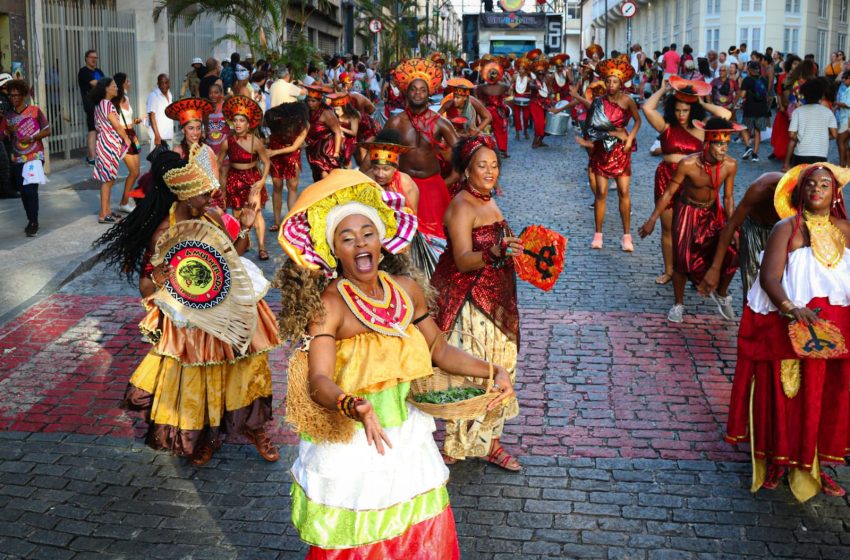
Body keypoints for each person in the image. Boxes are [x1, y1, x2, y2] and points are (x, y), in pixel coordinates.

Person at [276, 169, 514, 558]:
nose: (360, 244)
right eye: (347, 238)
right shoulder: (329, 306)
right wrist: (353, 404)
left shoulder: (406, 291)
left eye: (367, 233)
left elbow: (438, 349)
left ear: (381, 240)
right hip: (353, 442)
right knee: (360, 540)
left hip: (405, 436)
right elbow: (318, 380)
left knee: (417, 534)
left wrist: (492, 370)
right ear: (334, 250)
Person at [95, 148, 280, 466]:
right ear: (183, 194)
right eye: (204, 191)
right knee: (204, 378)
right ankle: (209, 436)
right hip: (193, 317)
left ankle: (255, 429)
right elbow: (146, 288)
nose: (212, 193)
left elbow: (236, 253)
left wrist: (246, 226)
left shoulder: (213, 215)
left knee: (247, 367)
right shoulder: (163, 235)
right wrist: (158, 275)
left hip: (231, 304)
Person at [725, 164, 850, 502]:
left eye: (825, 184)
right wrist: (791, 309)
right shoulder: (786, 228)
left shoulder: (845, 229)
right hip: (791, 325)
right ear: (799, 190)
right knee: (786, 392)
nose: (817, 190)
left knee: (824, 397)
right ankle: (779, 461)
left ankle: (814, 464)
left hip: (836, 328)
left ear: (836, 193)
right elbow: (769, 277)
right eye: (811, 184)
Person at [430, 135, 523, 472]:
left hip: (498, 297)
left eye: (494, 165)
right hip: (470, 301)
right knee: (474, 372)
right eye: (482, 165)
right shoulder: (461, 206)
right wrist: (496, 252)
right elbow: (463, 259)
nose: (490, 171)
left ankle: (491, 443)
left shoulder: (489, 200)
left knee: (503, 365)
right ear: (467, 169)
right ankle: (454, 446)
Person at [638, 118, 742, 323]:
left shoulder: (730, 165)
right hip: (687, 213)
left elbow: (728, 198)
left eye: (726, 144)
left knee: (733, 251)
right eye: (720, 144)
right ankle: (678, 304)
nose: (724, 149)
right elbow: (668, 193)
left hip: (713, 213)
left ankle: (722, 294)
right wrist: (652, 219)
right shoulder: (687, 164)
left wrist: (734, 227)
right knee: (682, 260)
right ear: (708, 143)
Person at [641, 77, 732, 285]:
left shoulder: (703, 129)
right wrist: (663, 90)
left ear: (692, 111)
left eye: (686, 110)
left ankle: (692, 269)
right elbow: (647, 108)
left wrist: (700, 102)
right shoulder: (666, 127)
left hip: (693, 180)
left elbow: (725, 115)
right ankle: (669, 271)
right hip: (667, 176)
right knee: (668, 228)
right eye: (677, 110)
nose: (681, 115)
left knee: (694, 230)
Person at [383, 58, 459, 253]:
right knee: (404, 242)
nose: (418, 93)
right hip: (404, 187)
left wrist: (451, 178)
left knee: (437, 245)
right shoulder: (396, 121)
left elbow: (462, 152)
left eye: (422, 90)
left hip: (433, 188)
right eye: (413, 89)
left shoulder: (440, 123)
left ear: (429, 94)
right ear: (406, 93)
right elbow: (380, 151)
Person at [574, 57, 642, 251]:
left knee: (623, 192)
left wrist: (629, 139)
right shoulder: (598, 102)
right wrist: (593, 140)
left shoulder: (627, 100)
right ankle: (598, 235)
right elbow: (592, 127)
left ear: (621, 83)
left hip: (621, 151)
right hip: (602, 150)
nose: (611, 85)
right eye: (609, 81)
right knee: (601, 193)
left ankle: (627, 237)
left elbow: (638, 121)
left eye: (615, 82)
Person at [360, 129, 440, 277]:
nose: (380, 174)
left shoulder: (407, 185)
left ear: (395, 166)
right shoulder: (365, 182)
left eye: (386, 169)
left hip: (400, 241)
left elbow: (411, 225)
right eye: (376, 168)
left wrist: (405, 261)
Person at [699, 172, 784, 298]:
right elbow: (731, 225)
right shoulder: (761, 187)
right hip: (754, 227)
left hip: (782, 231)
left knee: (782, 283)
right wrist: (714, 269)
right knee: (752, 283)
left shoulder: (808, 195)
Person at [216, 95, 272, 260]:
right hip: (234, 179)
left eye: (242, 120)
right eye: (236, 120)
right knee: (238, 214)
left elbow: (266, 162)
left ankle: (262, 247)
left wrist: (262, 181)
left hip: (252, 180)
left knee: (257, 213)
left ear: (248, 124)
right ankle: (243, 242)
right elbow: (218, 162)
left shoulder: (257, 142)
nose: (238, 124)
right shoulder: (228, 142)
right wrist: (217, 182)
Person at [4, 79, 50, 236]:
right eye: (11, 95)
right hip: (17, 158)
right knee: (23, 192)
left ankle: (33, 222)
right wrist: (9, 131)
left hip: (34, 156)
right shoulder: (8, 115)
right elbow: (3, 136)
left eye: (17, 95)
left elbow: (47, 130)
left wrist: (31, 138)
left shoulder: (35, 111)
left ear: (23, 95)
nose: (13, 98)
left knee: (30, 190)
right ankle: (30, 217)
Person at [91, 77, 134, 224]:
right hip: (107, 145)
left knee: (110, 178)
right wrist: (126, 139)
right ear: (106, 88)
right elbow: (116, 125)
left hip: (107, 143)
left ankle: (107, 210)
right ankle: (103, 213)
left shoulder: (101, 104)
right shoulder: (106, 105)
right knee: (108, 180)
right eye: (114, 86)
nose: (117, 88)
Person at [265, 100, 308, 226]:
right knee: (277, 186)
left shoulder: (304, 125)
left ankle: (292, 221)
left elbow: (294, 147)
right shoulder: (277, 119)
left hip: (290, 155)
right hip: (275, 152)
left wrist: (274, 152)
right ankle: (277, 222)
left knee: (292, 188)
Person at [784, 79, 837, 170]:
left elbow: (791, 134)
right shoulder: (828, 112)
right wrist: (821, 137)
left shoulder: (798, 111)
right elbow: (834, 134)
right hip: (821, 155)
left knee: (800, 180)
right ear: (821, 95)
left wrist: (803, 137)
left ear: (804, 95)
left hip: (800, 154)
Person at [110, 73, 143, 214]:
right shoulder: (114, 102)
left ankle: (125, 199)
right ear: (122, 83)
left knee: (137, 172)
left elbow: (127, 120)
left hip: (132, 134)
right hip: (123, 137)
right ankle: (124, 202)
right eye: (127, 81)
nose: (129, 82)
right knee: (133, 171)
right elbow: (116, 124)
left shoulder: (127, 98)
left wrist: (137, 121)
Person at [304, 85, 343, 181]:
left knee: (325, 175)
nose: (310, 103)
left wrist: (336, 152)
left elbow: (337, 132)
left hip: (326, 148)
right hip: (312, 148)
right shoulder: (307, 111)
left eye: (313, 101)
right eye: (308, 100)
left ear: (320, 101)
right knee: (317, 175)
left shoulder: (327, 113)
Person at [475, 61, 510, 158]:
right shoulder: (503, 86)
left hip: (486, 112)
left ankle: (485, 148)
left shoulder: (481, 87)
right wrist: (504, 78)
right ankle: (503, 151)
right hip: (499, 112)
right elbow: (509, 87)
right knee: (501, 131)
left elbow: (478, 96)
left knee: (485, 131)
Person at [738, 61, 771, 162]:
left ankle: (748, 147)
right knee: (757, 132)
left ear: (749, 70)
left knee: (743, 128)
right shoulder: (764, 80)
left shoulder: (747, 80)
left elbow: (742, 95)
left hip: (750, 108)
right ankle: (755, 155)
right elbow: (767, 94)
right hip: (762, 109)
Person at [78, 49, 104, 165]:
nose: (94, 60)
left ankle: (92, 154)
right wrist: (104, 85)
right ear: (86, 59)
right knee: (92, 129)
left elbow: (105, 84)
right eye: (91, 57)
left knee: (99, 130)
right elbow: (96, 84)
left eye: (95, 58)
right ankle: (92, 157)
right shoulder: (83, 72)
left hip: (101, 105)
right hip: (91, 105)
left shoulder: (99, 71)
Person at [326, 92, 360, 168]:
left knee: (346, 160)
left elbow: (354, 133)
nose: (336, 112)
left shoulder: (353, 116)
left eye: (338, 109)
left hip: (349, 140)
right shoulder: (334, 115)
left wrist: (340, 128)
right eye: (334, 109)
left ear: (344, 107)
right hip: (337, 139)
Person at [146, 74, 173, 150]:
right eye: (162, 83)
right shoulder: (153, 96)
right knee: (157, 160)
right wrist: (157, 135)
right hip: (158, 137)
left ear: (169, 83)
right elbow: (152, 116)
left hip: (168, 134)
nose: (164, 85)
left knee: (169, 160)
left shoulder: (170, 94)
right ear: (158, 84)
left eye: (166, 82)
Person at [528, 56, 551, 149]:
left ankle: (540, 141)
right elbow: (530, 85)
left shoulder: (545, 82)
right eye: (539, 74)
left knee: (547, 124)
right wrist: (534, 87)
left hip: (545, 105)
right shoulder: (533, 81)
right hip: (535, 105)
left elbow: (549, 93)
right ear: (536, 74)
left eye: (542, 73)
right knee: (539, 124)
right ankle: (534, 143)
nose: (541, 75)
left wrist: (551, 98)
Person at [204, 83, 230, 156]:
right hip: (210, 146)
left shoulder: (226, 107)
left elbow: (232, 127)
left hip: (224, 148)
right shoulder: (206, 108)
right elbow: (205, 127)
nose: (213, 95)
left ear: (221, 94)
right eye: (210, 93)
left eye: (216, 93)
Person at [511, 58, 533, 141]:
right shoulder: (514, 76)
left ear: (526, 70)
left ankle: (526, 131)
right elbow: (510, 85)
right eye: (519, 68)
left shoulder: (529, 79)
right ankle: (517, 133)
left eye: (522, 68)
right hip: (516, 98)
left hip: (526, 99)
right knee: (516, 117)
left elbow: (532, 87)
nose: (520, 70)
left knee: (526, 117)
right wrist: (511, 87)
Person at [836, 72, 850, 167]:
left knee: (840, 141)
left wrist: (836, 103)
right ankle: (847, 165)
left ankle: (841, 164)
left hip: (847, 119)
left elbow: (847, 104)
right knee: (844, 143)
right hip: (845, 118)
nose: (843, 80)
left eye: (845, 78)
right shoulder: (847, 89)